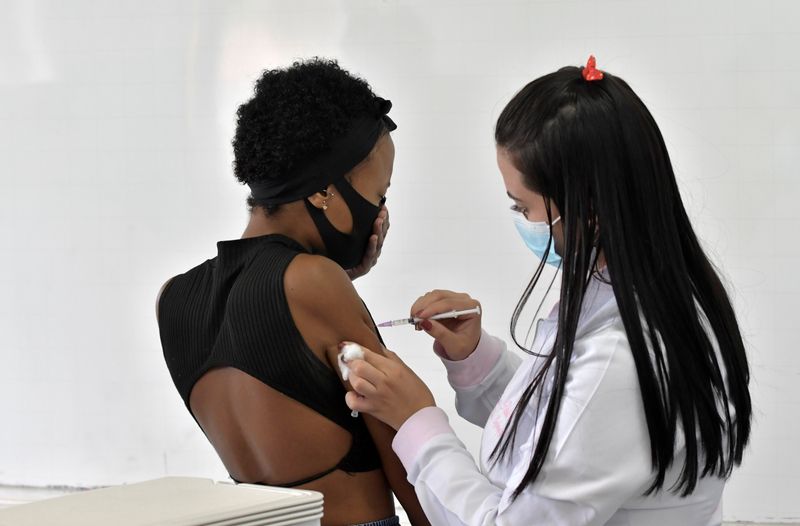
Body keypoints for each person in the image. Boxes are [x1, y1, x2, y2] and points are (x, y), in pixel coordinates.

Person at [342, 56, 752, 525]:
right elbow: (565, 428)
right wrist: (476, 358)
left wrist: (417, 422)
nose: (523, 220)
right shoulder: (651, 297)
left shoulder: (621, 361)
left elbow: (535, 491)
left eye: (525, 206)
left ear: (590, 209)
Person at [156, 58, 429, 526]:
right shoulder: (314, 282)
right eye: (380, 193)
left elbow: (276, 362)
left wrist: (340, 279)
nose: (381, 210)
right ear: (325, 191)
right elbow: (401, 450)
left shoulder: (176, 298)